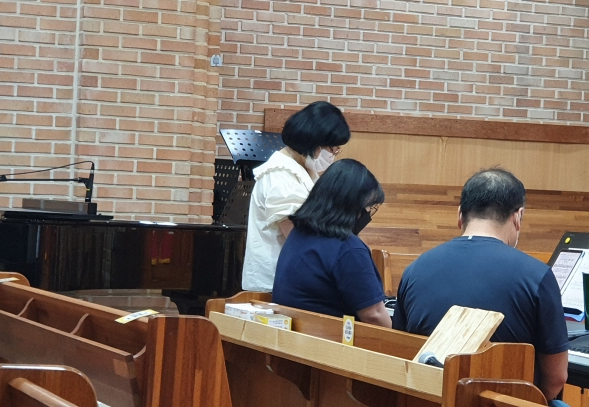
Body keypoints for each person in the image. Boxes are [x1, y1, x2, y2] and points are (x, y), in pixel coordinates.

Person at [393, 169, 569, 403]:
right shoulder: (537, 275)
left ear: (460, 215)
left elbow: (400, 350)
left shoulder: (414, 270)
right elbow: (556, 378)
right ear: (518, 217)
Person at [241, 101, 350, 293]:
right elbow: (298, 237)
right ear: (314, 141)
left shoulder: (302, 170)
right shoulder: (281, 174)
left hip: (291, 280)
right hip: (275, 286)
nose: (334, 154)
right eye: (333, 149)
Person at [272, 159, 391, 328]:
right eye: (367, 207)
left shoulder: (297, 235)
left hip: (295, 335)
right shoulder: (348, 248)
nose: (366, 214)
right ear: (351, 205)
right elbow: (374, 315)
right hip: (332, 340)